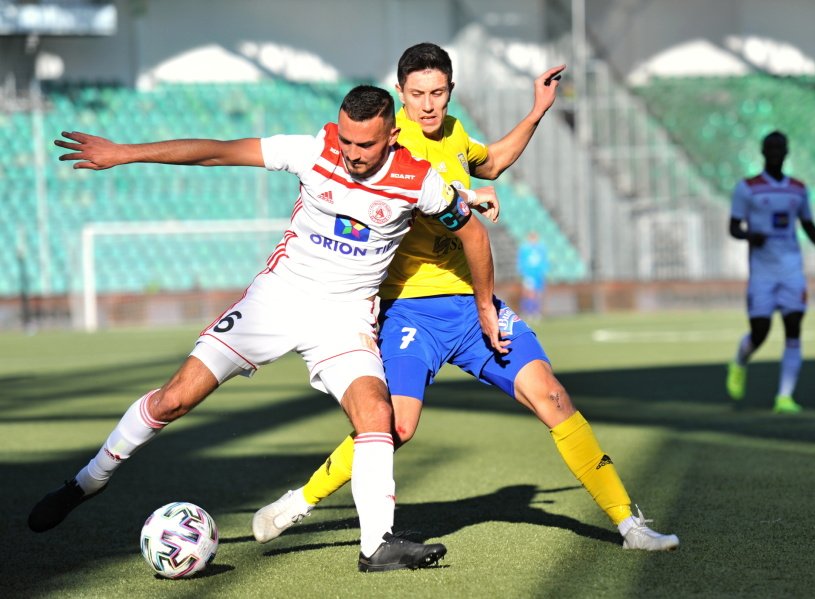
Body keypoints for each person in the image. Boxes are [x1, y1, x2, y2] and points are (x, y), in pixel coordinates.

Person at [28, 85, 506, 573]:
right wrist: (124, 153)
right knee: (174, 399)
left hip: (344, 316)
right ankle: (89, 481)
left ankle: (376, 545)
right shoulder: (314, 151)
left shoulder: (418, 181)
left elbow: (472, 232)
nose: (352, 153)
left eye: (364, 144)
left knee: (376, 414)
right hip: (277, 300)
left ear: (392, 135)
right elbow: (218, 152)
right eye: (346, 140)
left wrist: (484, 305)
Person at [252, 43, 679, 552]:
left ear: (450, 90)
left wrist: (537, 112)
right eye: (417, 94)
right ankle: (300, 500)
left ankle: (630, 526)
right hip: (409, 310)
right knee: (396, 425)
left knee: (552, 397)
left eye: (437, 93)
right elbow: (414, 200)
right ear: (400, 94)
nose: (428, 105)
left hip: (472, 306)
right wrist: (469, 198)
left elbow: (491, 161)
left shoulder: (455, 133)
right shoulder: (388, 145)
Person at [726, 130, 815, 413]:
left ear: (787, 152)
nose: (776, 153)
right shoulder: (747, 188)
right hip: (762, 272)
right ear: (763, 152)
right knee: (760, 331)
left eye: (780, 148)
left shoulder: (798, 189)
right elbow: (733, 227)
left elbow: (808, 225)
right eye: (771, 148)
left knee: (793, 328)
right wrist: (749, 236)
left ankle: (785, 397)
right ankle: (739, 361)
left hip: (791, 270)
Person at [517, 231, 550, 321]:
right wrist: (523, 272)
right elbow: (521, 261)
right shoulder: (524, 248)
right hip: (529, 274)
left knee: (537, 294)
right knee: (529, 293)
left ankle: (536, 312)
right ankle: (527, 312)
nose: (533, 239)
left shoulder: (541, 248)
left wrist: (544, 271)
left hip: (538, 274)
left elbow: (544, 261)